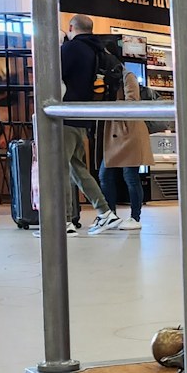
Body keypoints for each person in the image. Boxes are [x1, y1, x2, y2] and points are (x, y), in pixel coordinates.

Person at [56, 14, 122, 235]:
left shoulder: (71, 49)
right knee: (77, 168)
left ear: (72, 27)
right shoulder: (96, 50)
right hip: (82, 118)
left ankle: (63, 221)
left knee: (59, 168)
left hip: (64, 116)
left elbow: (53, 75)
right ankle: (105, 212)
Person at [97, 63, 153, 231]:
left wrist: (113, 104)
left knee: (130, 176)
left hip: (129, 132)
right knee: (105, 175)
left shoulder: (128, 76)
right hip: (114, 133)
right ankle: (110, 215)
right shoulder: (104, 78)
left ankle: (135, 217)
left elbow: (133, 101)